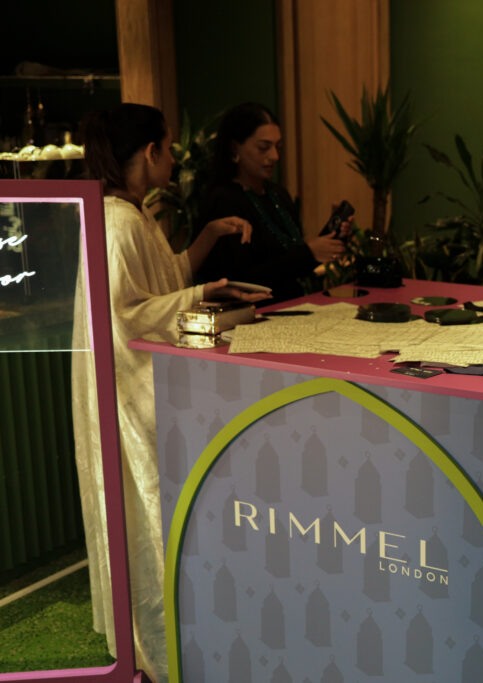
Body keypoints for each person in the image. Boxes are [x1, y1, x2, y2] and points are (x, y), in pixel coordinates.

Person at [71, 103, 270, 683]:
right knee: (148, 510)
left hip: (143, 383)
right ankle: (163, 646)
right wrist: (204, 294)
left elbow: (163, 282)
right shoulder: (118, 222)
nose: (176, 158)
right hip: (130, 394)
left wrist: (206, 243)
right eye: (169, 146)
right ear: (150, 151)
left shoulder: (133, 214)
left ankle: (177, 636)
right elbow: (125, 316)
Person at [198, 102, 348, 303]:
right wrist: (308, 253)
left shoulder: (278, 194)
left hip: (293, 307)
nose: (274, 156)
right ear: (234, 149)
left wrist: (330, 238)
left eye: (278, 147)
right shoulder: (224, 201)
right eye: (264, 148)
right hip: (254, 314)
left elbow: (293, 261)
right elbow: (238, 279)